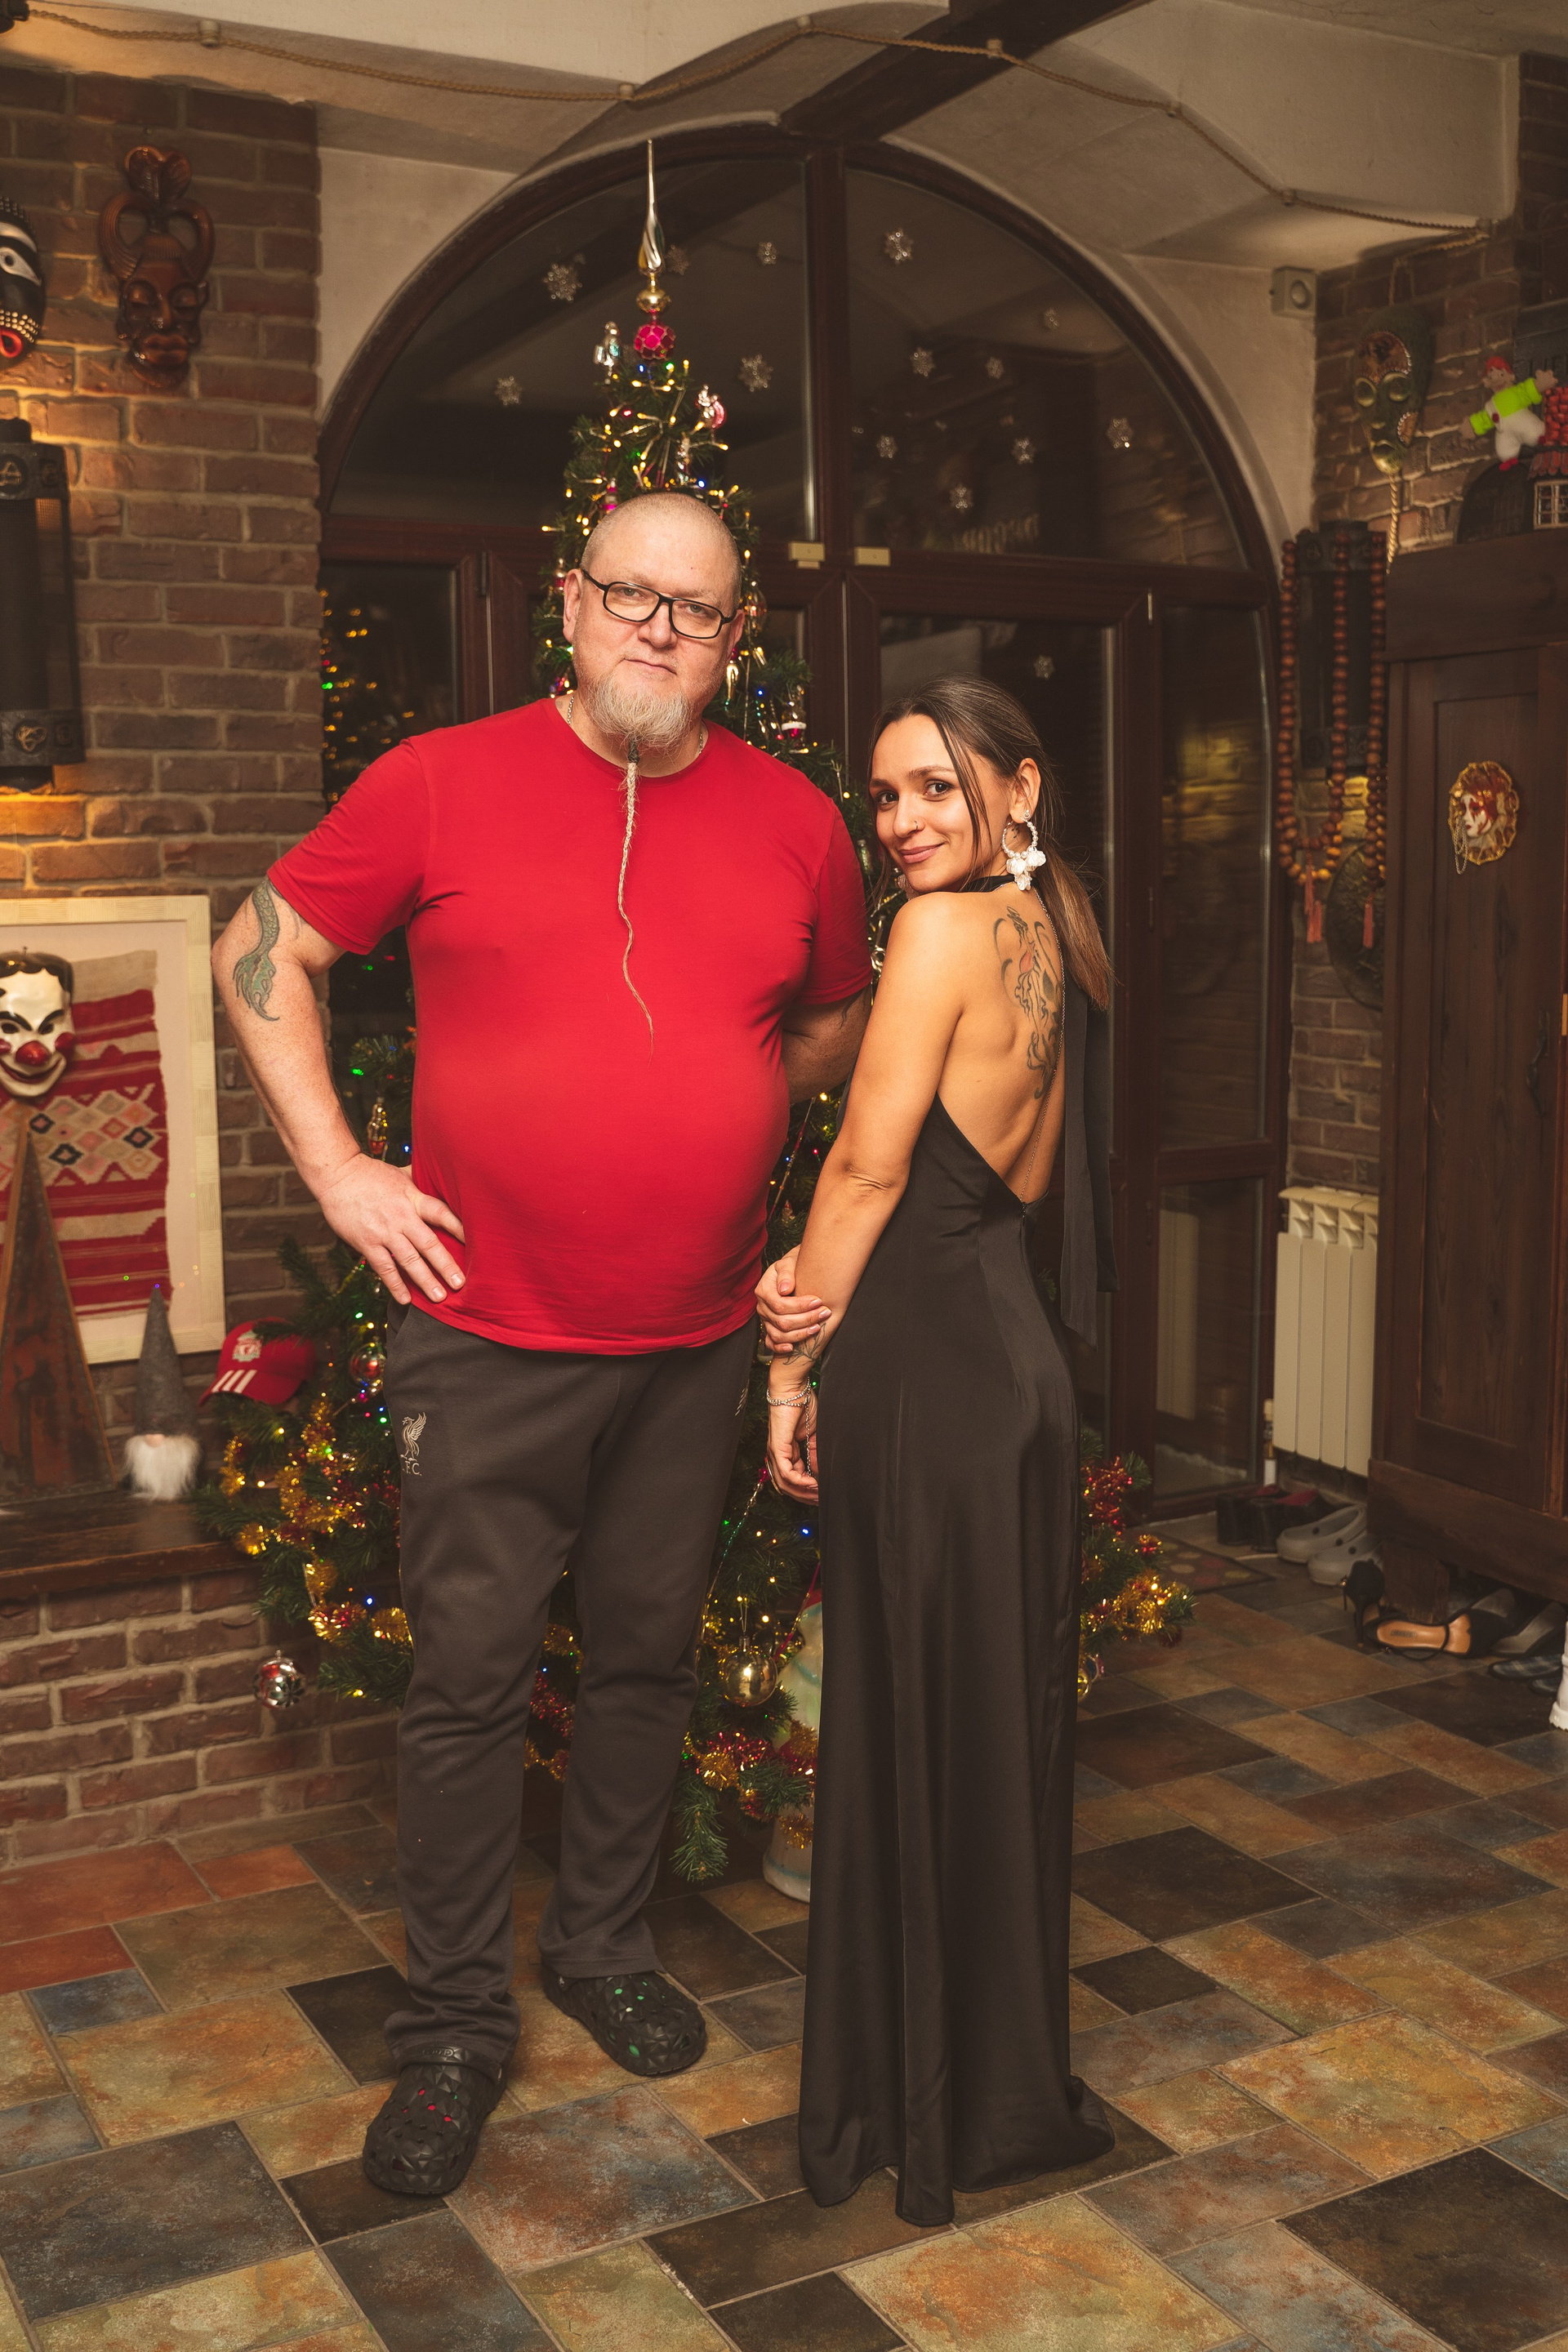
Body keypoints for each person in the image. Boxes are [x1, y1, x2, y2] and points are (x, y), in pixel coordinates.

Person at [212, 489, 871, 2196]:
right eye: (630, 593)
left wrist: (721, 1112)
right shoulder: (440, 780)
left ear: (738, 640)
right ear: (569, 605)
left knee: (644, 1660)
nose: (659, 626)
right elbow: (260, 946)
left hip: (695, 1342)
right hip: (487, 1338)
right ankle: (451, 2028)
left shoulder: (799, 822)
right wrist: (340, 1173)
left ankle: (598, 1944)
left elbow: (829, 1020)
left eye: (696, 607)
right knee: (468, 1687)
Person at [759, 675, 1117, 2227]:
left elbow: (866, 1165)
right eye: (886, 795)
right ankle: (995, 2086)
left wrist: (789, 1361)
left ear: (1017, 787)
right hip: (1016, 1365)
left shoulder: (937, 933)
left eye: (935, 787)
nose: (901, 821)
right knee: (990, 1730)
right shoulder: (1054, 927)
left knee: (913, 1721)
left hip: (928, 1374)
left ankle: (921, 2103)